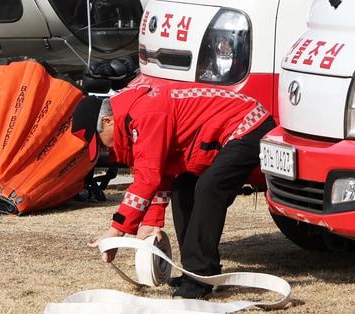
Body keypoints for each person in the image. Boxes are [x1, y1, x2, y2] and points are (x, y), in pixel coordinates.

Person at [81, 83, 275, 299]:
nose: (105, 150)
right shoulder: (134, 116)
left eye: (100, 142)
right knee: (183, 188)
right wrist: (151, 222)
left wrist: (116, 230)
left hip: (249, 123)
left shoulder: (145, 115)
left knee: (209, 188)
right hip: (227, 128)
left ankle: (200, 276)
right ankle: (194, 271)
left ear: (107, 121)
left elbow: (148, 178)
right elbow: (161, 171)